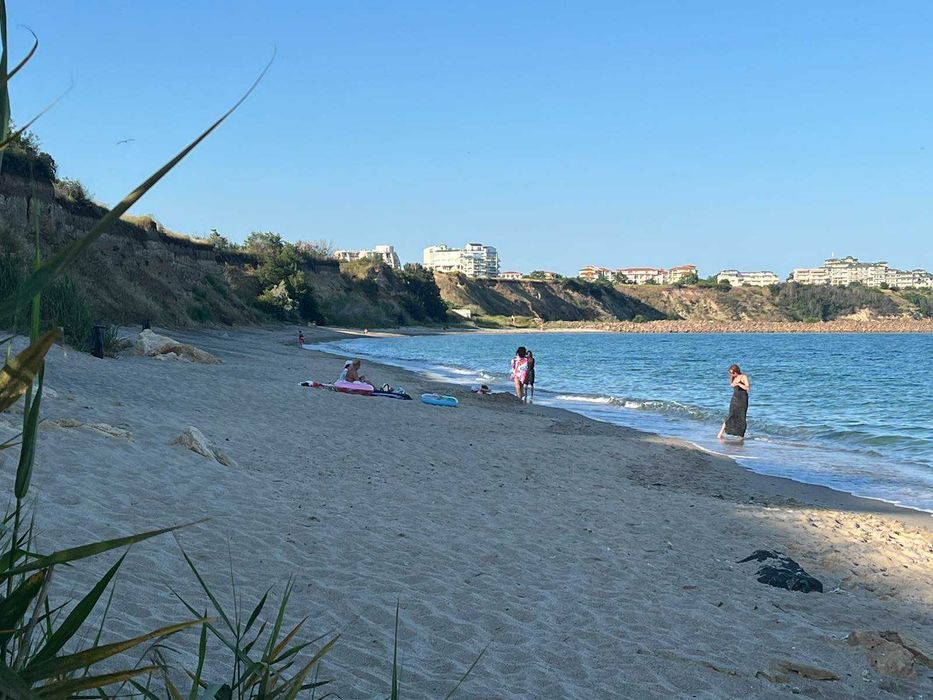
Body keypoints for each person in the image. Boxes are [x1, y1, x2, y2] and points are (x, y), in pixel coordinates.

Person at [718, 364, 750, 441]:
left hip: (743, 399)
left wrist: (738, 384)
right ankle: (721, 432)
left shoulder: (743, 377)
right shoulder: (733, 378)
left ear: (736, 371)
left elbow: (747, 388)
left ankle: (741, 436)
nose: (731, 374)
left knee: (742, 416)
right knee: (731, 415)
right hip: (735, 398)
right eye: (730, 373)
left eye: (732, 372)